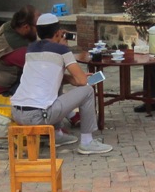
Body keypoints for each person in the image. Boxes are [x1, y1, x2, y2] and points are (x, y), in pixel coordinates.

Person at [9, 13, 113, 155]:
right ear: (58, 32)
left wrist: (70, 79)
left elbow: (48, 76)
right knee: (88, 91)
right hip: (39, 116)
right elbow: (82, 81)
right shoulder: (62, 50)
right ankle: (87, 142)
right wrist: (75, 72)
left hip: (17, 113)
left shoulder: (31, 49)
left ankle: (57, 134)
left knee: (57, 83)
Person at [0, 5, 38, 96]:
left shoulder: (9, 26)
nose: (40, 29)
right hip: (3, 90)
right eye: (38, 26)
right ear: (26, 27)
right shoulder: (16, 49)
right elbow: (40, 68)